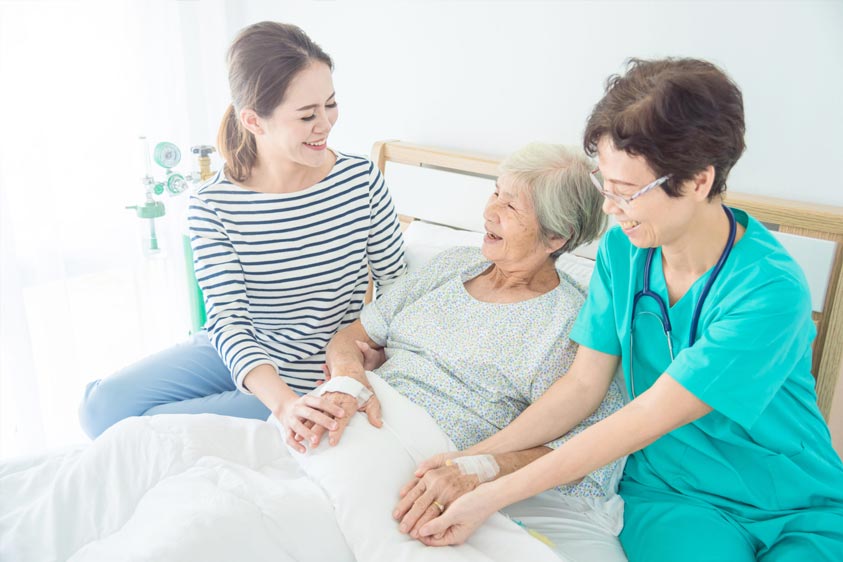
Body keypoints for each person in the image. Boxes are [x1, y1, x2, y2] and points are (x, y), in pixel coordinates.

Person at [414, 58, 843, 562]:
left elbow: (648, 414)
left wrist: (489, 493)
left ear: (699, 181)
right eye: (605, 187)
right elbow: (581, 386)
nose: (610, 209)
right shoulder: (624, 253)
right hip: (673, 496)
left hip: (792, 500)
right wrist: (474, 461)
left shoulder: (768, 291)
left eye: (625, 193)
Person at [78, 22, 406, 446]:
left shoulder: (360, 180)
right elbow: (229, 322)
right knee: (99, 409)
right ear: (254, 120)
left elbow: (397, 288)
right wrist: (282, 405)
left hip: (307, 369)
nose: (325, 124)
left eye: (330, 104)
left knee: (138, 434)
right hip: (237, 348)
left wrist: (373, 349)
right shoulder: (212, 204)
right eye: (307, 115)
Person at [313, 143, 628, 561]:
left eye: (511, 207)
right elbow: (349, 337)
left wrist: (479, 469)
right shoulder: (452, 266)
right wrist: (348, 379)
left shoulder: (571, 325)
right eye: (495, 192)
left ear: (556, 236)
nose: (489, 212)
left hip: (426, 460)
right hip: (356, 421)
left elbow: (584, 450)